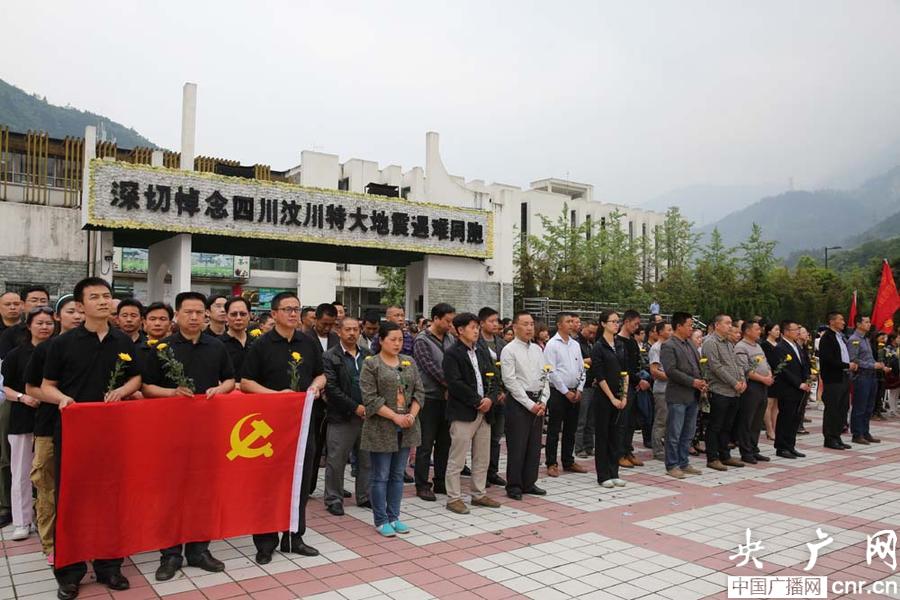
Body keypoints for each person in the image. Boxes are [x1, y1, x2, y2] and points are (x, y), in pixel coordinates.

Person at [41, 277, 141, 599]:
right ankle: (69, 572)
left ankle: (109, 566)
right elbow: (46, 386)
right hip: (74, 434)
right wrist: (62, 399)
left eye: (106, 296)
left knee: (111, 500)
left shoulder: (121, 340)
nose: (102, 301)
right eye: (94, 297)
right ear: (80, 305)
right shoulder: (62, 343)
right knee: (72, 501)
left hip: (113, 434)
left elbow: (136, 377)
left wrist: (122, 390)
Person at [141, 291, 234, 581]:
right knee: (171, 495)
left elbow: (230, 379)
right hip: (171, 433)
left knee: (202, 493)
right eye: (188, 312)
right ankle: (170, 554)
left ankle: (199, 550)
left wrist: (220, 389)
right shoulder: (163, 348)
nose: (194, 317)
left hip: (207, 431)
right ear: (177, 315)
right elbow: (146, 387)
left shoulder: (216, 346)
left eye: (199, 312)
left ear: (206, 315)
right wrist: (172, 393)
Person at [240, 291, 325, 563]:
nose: (293, 313)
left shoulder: (308, 342)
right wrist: (277, 397)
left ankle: (293, 536)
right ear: (274, 313)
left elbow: (321, 374)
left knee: (300, 479)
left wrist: (316, 386)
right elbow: (246, 383)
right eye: (287, 309)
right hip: (268, 427)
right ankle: (265, 542)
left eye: (296, 309)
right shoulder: (261, 345)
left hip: (302, 425)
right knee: (268, 483)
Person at [24, 295, 83, 564]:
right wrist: (61, 400)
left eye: (81, 311)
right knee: (47, 486)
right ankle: (51, 544)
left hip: (86, 429)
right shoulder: (46, 348)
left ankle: (83, 539)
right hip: (49, 427)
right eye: (71, 311)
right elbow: (31, 388)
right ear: (58, 317)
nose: (78, 316)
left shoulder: (95, 348)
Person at [359, 321, 424, 536]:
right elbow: (370, 399)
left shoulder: (409, 362)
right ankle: (381, 519)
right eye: (392, 339)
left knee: (397, 475)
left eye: (400, 340)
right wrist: (395, 417)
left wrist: (411, 415)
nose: (397, 344)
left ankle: (394, 516)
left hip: (406, 426)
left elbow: (419, 392)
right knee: (381, 475)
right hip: (382, 426)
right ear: (381, 340)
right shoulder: (372, 364)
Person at [2, 306, 55, 540]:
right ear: (29, 326)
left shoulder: (58, 350)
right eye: (39, 323)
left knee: (48, 472)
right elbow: (4, 387)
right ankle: (23, 521)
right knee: (21, 471)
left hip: (51, 417)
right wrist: (23, 397)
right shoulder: (16, 354)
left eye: (49, 323)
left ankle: (47, 517)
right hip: (23, 418)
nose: (44, 327)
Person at [443, 313, 502, 514]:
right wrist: (478, 401)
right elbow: (455, 383)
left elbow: (495, 377)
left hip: (485, 412)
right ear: (460, 330)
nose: (476, 331)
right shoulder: (452, 353)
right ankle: (454, 498)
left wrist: (490, 399)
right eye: (472, 327)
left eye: (477, 327)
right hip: (463, 412)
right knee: (457, 458)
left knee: (482, 457)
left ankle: (478, 494)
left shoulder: (482, 351)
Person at [323, 316, 371, 516]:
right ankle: (334, 499)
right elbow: (331, 388)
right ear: (339, 331)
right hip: (341, 416)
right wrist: (355, 407)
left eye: (355, 330)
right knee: (336, 460)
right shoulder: (330, 356)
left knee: (366, 459)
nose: (352, 333)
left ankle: (365, 495)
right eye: (347, 329)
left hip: (367, 416)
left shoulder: (368, 355)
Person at [500, 311, 549, 500]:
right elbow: (510, 381)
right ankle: (514, 485)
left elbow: (545, 375)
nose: (529, 328)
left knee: (534, 445)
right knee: (517, 445)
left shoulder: (537, 349)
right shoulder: (509, 350)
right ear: (514, 327)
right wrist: (529, 404)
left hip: (538, 400)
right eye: (525, 324)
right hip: (519, 402)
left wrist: (543, 400)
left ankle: (529, 482)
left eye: (531, 324)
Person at [412, 303, 456, 501]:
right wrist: (451, 385)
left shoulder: (450, 339)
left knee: (445, 443)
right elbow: (430, 368)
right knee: (425, 444)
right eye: (447, 321)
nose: (450, 325)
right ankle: (422, 484)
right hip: (429, 398)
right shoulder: (422, 340)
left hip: (447, 399)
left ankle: (440, 481)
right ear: (436, 319)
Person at [660, 312, 706, 479]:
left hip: (693, 395)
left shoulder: (690, 344)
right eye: (689, 325)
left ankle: (684, 462)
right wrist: (692, 382)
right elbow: (671, 371)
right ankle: (672, 465)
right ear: (678, 326)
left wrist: (702, 381)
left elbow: (698, 366)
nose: (691, 328)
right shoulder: (669, 345)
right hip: (678, 396)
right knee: (674, 433)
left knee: (688, 432)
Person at [543, 312, 588, 477]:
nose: (571, 324)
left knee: (571, 428)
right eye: (568, 321)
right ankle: (551, 463)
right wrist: (565, 391)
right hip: (558, 392)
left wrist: (580, 388)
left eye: (572, 321)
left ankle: (568, 461)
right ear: (559, 325)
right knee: (554, 429)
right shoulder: (552, 345)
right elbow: (551, 371)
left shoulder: (575, 344)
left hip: (575, 391)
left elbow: (582, 368)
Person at [701, 315, 747, 471]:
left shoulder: (729, 342)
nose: (730, 326)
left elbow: (737, 364)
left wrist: (742, 380)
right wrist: (734, 383)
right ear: (717, 325)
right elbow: (716, 367)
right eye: (727, 323)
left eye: (731, 323)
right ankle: (712, 458)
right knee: (715, 425)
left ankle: (725, 455)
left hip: (734, 392)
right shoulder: (711, 342)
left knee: (727, 426)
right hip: (719, 390)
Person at [588, 310, 626, 488]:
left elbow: (625, 372)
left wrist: (624, 395)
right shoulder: (598, 347)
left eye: (618, 321)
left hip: (619, 394)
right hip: (604, 397)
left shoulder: (620, 344)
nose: (616, 324)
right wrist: (611, 397)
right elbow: (600, 375)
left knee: (616, 435)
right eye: (613, 321)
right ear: (603, 324)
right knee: (603, 435)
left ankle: (614, 471)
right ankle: (603, 474)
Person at [733, 320, 774, 463]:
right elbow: (745, 369)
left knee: (757, 420)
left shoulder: (757, 345)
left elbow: (765, 363)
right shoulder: (741, 347)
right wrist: (763, 379)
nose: (759, 331)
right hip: (751, 387)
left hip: (763, 386)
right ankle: (746, 452)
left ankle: (754, 448)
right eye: (756, 329)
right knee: (747, 420)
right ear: (747, 331)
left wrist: (769, 374)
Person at [477, 307, 507, 487]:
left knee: (496, 437)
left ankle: (492, 472)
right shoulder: (476, 343)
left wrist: (503, 391)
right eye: (491, 321)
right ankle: (480, 473)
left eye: (497, 321)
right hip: (484, 397)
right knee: (482, 439)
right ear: (481, 323)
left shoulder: (502, 343)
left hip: (501, 395)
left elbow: (507, 369)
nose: (496, 324)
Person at [772, 320, 811, 459]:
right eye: (795, 330)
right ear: (786, 332)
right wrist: (798, 383)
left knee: (795, 418)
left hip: (801, 388)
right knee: (786, 418)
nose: (798, 332)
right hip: (788, 389)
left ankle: (790, 445)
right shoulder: (780, 347)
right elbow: (784, 370)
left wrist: (807, 379)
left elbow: (804, 364)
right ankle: (781, 447)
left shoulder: (797, 346)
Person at [848, 316, 885, 445]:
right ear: (858, 324)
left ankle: (865, 431)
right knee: (860, 406)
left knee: (869, 406)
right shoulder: (854, 340)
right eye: (866, 322)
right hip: (862, 376)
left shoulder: (866, 339)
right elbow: (853, 359)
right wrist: (872, 365)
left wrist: (879, 365)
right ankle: (857, 434)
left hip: (872, 376)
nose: (869, 324)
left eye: (869, 322)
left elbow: (869, 358)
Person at [616, 310, 645, 468]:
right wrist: (638, 380)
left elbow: (635, 365)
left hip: (634, 386)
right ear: (626, 322)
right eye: (635, 323)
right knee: (622, 422)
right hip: (623, 386)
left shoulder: (633, 342)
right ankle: (619, 453)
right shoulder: (617, 341)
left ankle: (628, 450)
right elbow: (623, 367)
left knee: (631, 421)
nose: (637, 327)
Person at [649, 321, 673, 461]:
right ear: (660, 332)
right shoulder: (656, 348)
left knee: (670, 421)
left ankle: (668, 448)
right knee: (661, 420)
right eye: (668, 330)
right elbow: (654, 371)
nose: (671, 332)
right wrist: (673, 377)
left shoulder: (670, 346)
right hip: (661, 390)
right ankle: (657, 450)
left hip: (672, 389)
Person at [220, 296, 254, 381]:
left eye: (243, 314)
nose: (238, 318)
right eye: (234, 314)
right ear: (226, 317)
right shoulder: (217, 345)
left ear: (249, 316)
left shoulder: (257, 343)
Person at [762, 323, 781, 441]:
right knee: (769, 404)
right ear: (769, 331)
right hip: (769, 376)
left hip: (779, 377)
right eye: (776, 329)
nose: (778, 332)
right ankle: (769, 430)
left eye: (779, 330)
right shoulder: (764, 345)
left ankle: (775, 428)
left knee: (776, 405)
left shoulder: (779, 344)